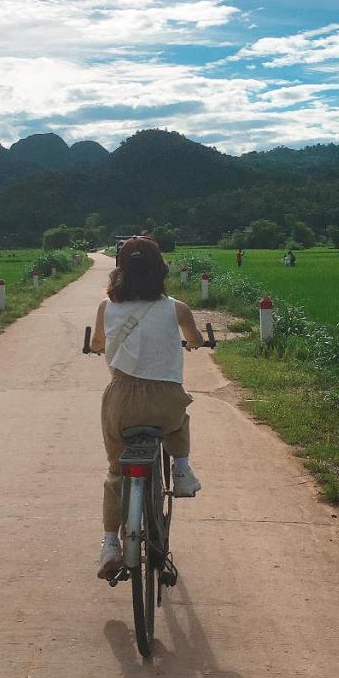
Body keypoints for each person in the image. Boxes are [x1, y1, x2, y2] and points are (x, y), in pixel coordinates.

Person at [89, 236, 203, 579]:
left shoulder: (106, 308)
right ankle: (181, 469)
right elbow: (194, 338)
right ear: (160, 271)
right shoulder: (176, 308)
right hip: (164, 400)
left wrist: (99, 347)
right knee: (180, 417)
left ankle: (111, 544)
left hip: (122, 401)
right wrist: (194, 342)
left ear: (120, 271)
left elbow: (97, 344)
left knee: (115, 472)